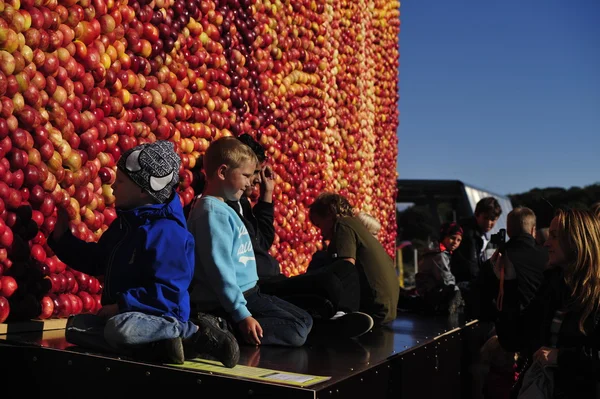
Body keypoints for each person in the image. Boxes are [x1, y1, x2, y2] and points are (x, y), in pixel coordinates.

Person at [48, 141, 240, 367]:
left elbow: (168, 292)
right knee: (75, 328)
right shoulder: (126, 225)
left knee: (119, 329)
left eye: (120, 181)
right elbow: (99, 260)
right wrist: (63, 240)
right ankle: (160, 347)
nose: (112, 188)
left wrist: (122, 305)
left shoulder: (168, 233)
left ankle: (193, 333)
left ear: (143, 189)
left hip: (159, 314)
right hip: (128, 314)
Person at [226, 134, 374, 338]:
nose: (256, 179)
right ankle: (328, 327)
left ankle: (342, 317)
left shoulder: (243, 204)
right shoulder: (223, 206)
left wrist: (267, 195)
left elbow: (264, 241)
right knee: (327, 286)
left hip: (276, 279)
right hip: (261, 285)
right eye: (253, 173)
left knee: (346, 269)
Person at [187, 136, 313, 347]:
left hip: (250, 292)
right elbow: (220, 270)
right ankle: (221, 329)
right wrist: (241, 315)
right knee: (296, 330)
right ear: (222, 172)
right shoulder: (211, 213)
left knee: (304, 319)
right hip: (226, 301)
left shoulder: (223, 209)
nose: (249, 182)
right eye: (245, 175)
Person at [494, 208, 600, 398]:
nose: (546, 243)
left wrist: (561, 357)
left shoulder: (595, 295)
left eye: (554, 236)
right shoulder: (553, 284)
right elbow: (513, 339)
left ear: (577, 240)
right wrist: (508, 283)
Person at [309, 192, 399, 325]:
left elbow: (346, 267)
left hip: (373, 309)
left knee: (320, 259)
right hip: (386, 310)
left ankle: (341, 313)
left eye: (319, 225)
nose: (321, 233)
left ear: (329, 213)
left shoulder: (343, 224)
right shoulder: (357, 226)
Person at [415, 221, 464, 314]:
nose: (455, 243)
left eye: (459, 240)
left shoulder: (443, 253)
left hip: (432, 291)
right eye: (452, 238)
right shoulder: (439, 255)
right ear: (444, 236)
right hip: (430, 294)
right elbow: (446, 279)